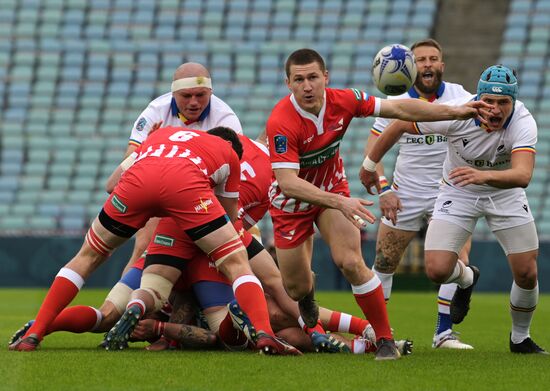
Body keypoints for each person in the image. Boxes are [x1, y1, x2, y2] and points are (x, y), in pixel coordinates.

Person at [265, 48, 491, 360]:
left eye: (313, 77)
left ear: (325, 78)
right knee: (295, 287)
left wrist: (456, 112)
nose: (307, 86)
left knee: (351, 262)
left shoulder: (344, 99)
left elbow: (400, 109)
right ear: (288, 83)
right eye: (299, 79)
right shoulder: (281, 121)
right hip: (291, 204)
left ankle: (383, 339)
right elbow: (288, 184)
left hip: (333, 190)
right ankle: (307, 294)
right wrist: (340, 202)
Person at [9, 126, 298, 355]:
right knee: (236, 265)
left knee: (87, 258)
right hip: (187, 201)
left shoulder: (160, 135)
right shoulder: (230, 155)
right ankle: (263, 333)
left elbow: (111, 185)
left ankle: (38, 329)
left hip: (140, 189)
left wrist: (154, 207)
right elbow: (231, 219)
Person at [361, 64, 547, 354]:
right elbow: (399, 123)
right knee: (436, 270)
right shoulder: (457, 111)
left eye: (503, 103)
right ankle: (467, 277)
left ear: (514, 102)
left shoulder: (523, 121)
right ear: (478, 98)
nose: (495, 110)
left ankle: (520, 338)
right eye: (489, 101)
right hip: (458, 191)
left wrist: (482, 176)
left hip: (505, 192)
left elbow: (523, 175)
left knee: (527, 272)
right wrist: (370, 165)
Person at [359, 39, 474, 349]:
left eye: (433, 58)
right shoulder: (394, 101)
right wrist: (383, 189)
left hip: (448, 191)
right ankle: (378, 334)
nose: (427, 64)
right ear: (411, 66)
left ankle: (444, 334)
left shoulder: (459, 95)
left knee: (454, 261)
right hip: (405, 193)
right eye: (420, 59)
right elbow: (374, 150)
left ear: (442, 65)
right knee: (384, 262)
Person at [116, 62, 244, 273]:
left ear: (211, 91)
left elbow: (232, 171)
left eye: (201, 95)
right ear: (173, 93)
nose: (194, 102)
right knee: (143, 247)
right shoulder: (155, 111)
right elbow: (130, 158)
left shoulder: (226, 119)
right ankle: (121, 302)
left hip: (200, 194)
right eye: (186, 96)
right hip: (158, 187)